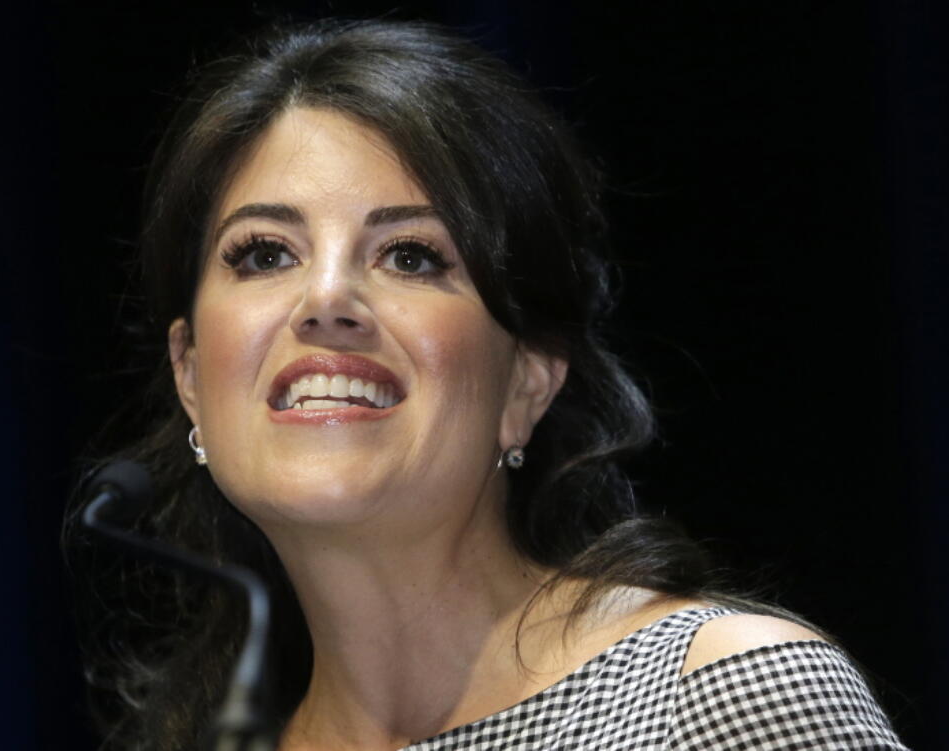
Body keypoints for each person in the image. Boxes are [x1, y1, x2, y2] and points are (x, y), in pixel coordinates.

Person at [66, 19, 906, 751]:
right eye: (265, 253)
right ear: (190, 377)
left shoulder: (719, 696)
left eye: (411, 256)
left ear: (528, 383)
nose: (326, 300)